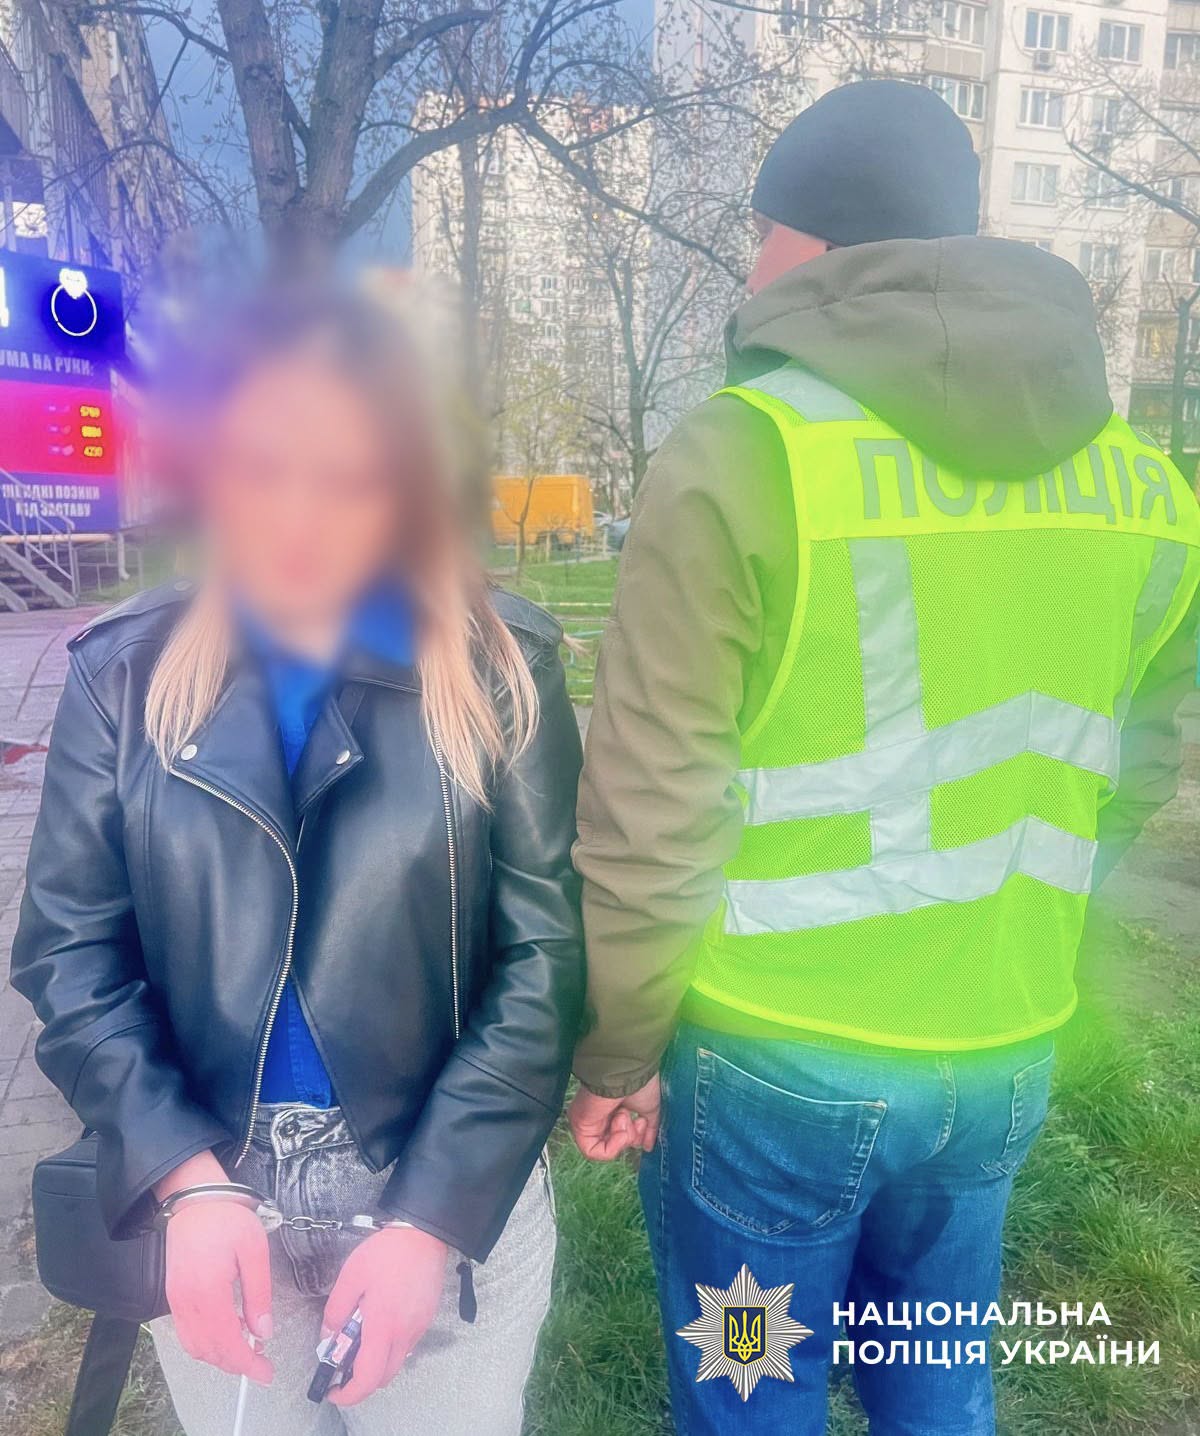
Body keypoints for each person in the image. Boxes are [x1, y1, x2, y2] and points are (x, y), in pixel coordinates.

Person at [567, 79, 1200, 1435]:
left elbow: (651, 802)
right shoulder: (1148, 487)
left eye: (760, 234)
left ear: (814, 240)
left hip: (774, 1061)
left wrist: (617, 1051)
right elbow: (1137, 754)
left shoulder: (746, 452)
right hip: (1005, 1036)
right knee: (936, 1379)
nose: (752, 268)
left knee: (753, 1387)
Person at [12, 282, 584, 1436]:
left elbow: (545, 963)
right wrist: (182, 1174)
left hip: (437, 1187)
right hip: (212, 1195)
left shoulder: (498, 667)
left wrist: (431, 1214)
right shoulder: (123, 675)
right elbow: (69, 956)